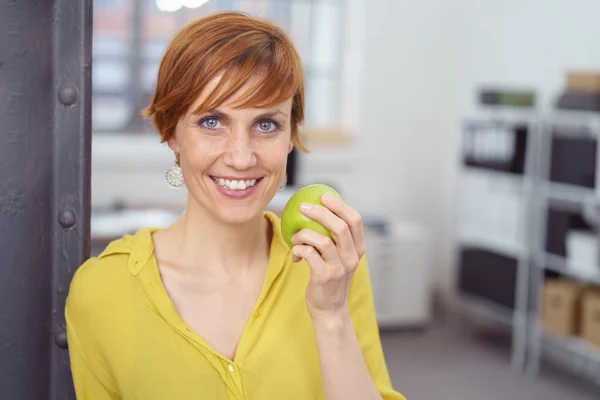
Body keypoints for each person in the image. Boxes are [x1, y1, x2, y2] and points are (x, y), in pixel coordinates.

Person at [65, 11, 405, 400]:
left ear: (291, 137)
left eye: (266, 125)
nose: (241, 158)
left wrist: (330, 317)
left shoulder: (330, 270)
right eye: (212, 121)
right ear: (171, 132)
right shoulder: (102, 293)